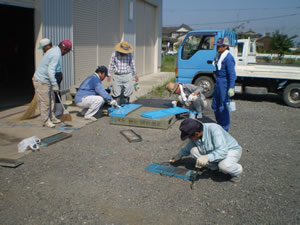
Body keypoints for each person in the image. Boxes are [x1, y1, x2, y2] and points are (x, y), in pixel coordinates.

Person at [170, 118, 243, 182]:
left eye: (190, 137)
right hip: (215, 151)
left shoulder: (214, 129)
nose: (189, 139)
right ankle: (214, 168)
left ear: (197, 134)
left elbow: (223, 152)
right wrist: (179, 155)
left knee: (224, 166)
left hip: (230, 150)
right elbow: (189, 146)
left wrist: (207, 157)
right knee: (193, 151)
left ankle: (237, 172)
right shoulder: (196, 132)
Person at [32, 40, 72, 128]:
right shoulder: (56, 54)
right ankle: (46, 121)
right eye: (68, 52)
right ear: (65, 49)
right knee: (45, 102)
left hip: (47, 80)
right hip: (41, 81)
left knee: (51, 100)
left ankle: (52, 117)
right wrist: (55, 84)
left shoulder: (54, 50)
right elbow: (51, 70)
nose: (67, 54)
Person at [211, 37, 236, 131]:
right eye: (217, 46)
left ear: (225, 46)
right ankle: (219, 123)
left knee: (223, 106)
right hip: (218, 82)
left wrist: (231, 87)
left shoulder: (228, 58)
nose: (217, 48)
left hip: (224, 83)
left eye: (219, 46)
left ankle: (225, 127)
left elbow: (232, 74)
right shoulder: (219, 56)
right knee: (215, 105)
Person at [38, 38, 63, 117]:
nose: (43, 50)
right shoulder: (54, 50)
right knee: (55, 93)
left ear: (47, 46)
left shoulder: (53, 53)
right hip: (55, 74)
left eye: (43, 48)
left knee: (54, 93)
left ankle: (58, 110)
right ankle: (58, 109)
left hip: (55, 74)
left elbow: (51, 69)